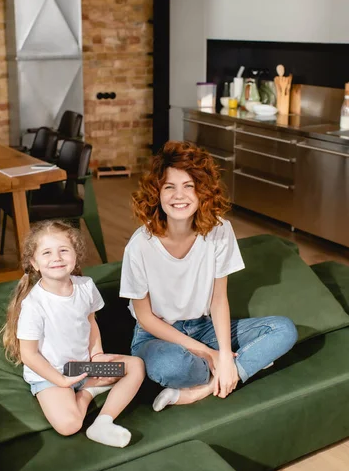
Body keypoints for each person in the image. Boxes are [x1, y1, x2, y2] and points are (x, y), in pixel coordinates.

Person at [120, 141, 298, 412]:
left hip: (204, 327)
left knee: (283, 329)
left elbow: (218, 300)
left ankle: (202, 388)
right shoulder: (140, 245)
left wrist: (225, 355)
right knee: (169, 364)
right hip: (157, 336)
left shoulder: (219, 230)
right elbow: (145, 317)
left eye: (189, 186)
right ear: (156, 193)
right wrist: (210, 354)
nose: (179, 196)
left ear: (202, 191)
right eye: (170, 187)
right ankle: (245, 366)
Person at [1, 220, 145, 448]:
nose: (56, 258)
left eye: (63, 250)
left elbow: (91, 323)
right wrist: (61, 380)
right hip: (52, 376)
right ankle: (89, 392)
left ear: (75, 256)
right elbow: (29, 355)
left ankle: (103, 422)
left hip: (83, 368)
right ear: (34, 263)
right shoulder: (34, 304)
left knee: (135, 366)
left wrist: (97, 356)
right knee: (70, 425)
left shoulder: (85, 286)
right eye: (46, 252)